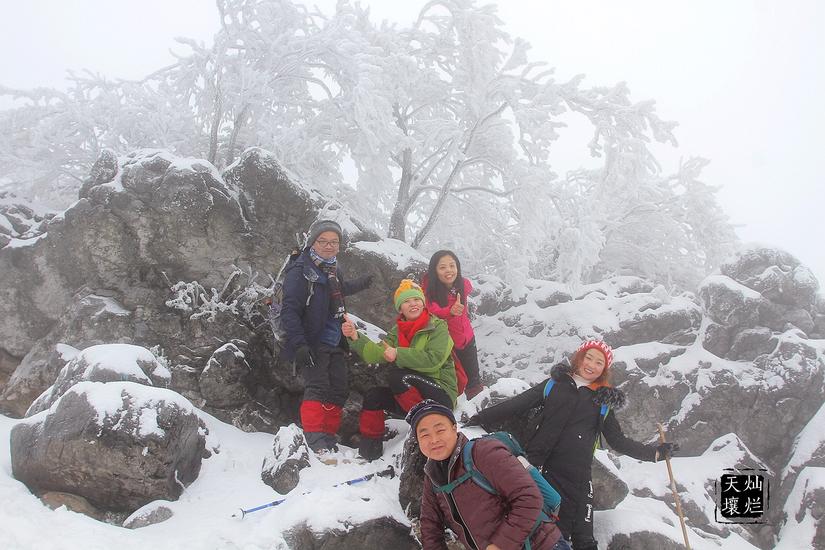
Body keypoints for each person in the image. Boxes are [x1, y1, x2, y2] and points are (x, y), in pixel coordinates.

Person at [467, 340, 679, 550]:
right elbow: (519, 403)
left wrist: (655, 453)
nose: (592, 365)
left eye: (599, 362)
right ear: (579, 357)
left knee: (582, 537)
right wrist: (481, 417)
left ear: (604, 369)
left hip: (576, 476)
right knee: (538, 530)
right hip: (538, 467)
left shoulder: (603, 400)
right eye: (589, 357)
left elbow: (618, 441)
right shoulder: (554, 384)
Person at [410, 399, 567, 550]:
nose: (434, 439)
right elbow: (430, 527)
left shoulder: (483, 452)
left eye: (440, 430)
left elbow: (529, 498)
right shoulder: (433, 476)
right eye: (425, 435)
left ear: (454, 428)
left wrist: (500, 545)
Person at [281, 219, 371, 453]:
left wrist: (360, 284)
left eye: (334, 242)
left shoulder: (333, 268)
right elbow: (289, 310)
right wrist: (300, 345)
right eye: (323, 241)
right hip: (313, 340)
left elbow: (337, 288)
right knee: (318, 387)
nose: (329, 246)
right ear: (313, 242)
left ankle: (329, 437)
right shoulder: (300, 270)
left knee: (339, 389)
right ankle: (315, 440)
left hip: (336, 338)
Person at [342, 279, 457, 461]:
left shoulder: (437, 326)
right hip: (412, 397)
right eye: (407, 301)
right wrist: (355, 336)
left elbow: (433, 360)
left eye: (416, 300)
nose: (413, 304)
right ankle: (369, 454)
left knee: (398, 376)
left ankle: (422, 424)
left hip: (441, 394)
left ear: (422, 302)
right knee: (374, 395)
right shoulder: (397, 331)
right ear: (400, 308)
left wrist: (398, 354)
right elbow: (377, 354)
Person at [423, 250, 484, 399]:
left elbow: (468, 285)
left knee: (474, 380)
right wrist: (450, 311)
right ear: (435, 271)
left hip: (467, 338)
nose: (449, 270)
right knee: (456, 382)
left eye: (452, 265)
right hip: (448, 344)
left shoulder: (462, 285)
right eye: (442, 267)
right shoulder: (429, 291)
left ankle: (477, 410)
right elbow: (431, 311)